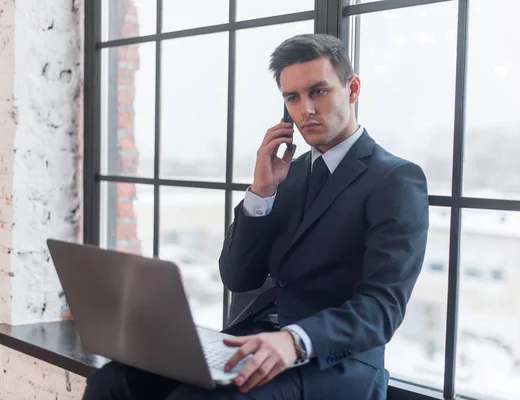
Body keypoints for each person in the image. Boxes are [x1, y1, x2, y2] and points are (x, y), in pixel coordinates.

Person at [82, 33, 429, 400]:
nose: (305, 110)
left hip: (336, 363)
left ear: (353, 88)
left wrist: (294, 341)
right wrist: (261, 193)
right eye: (292, 98)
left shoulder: (395, 179)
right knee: (114, 380)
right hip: (254, 342)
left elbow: (382, 307)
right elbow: (238, 276)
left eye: (318, 92)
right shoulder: (287, 175)